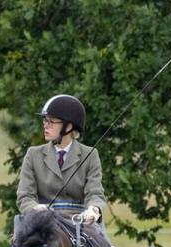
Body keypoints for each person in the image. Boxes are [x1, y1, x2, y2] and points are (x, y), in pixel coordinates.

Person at [16, 94, 108, 236]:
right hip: (43, 222)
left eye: (51, 121)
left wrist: (94, 209)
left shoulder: (90, 155)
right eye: (44, 121)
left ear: (69, 126)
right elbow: (25, 196)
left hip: (80, 222)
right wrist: (35, 208)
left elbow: (95, 193)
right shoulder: (33, 155)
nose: (45, 125)